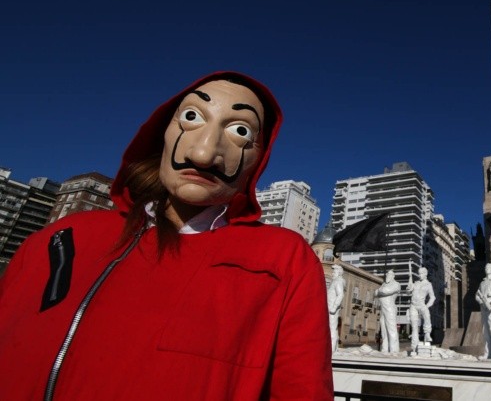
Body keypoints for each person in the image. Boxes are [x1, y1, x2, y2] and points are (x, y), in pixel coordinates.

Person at [0, 72, 333, 400]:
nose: (203, 154)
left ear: (258, 160)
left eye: (240, 131)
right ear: (161, 134)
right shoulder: (61, 238)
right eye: (191, 117)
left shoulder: (282, 259)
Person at [408, 267, 435, 350]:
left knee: (427, 316)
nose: (419, 275)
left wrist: (427, 306)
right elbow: (408, 291)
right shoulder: (415, 283)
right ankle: (414, 345)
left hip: (422, 305)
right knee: (414, 326)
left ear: (425, 274)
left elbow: (433, 297)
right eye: (419, 273)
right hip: (413, 306)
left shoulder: (428, 285)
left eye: (421, 273)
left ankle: (427, 334)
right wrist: (409, 286)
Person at [374, 270, 401, 353]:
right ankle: (384, 349)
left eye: (389, 274)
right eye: (387, 274)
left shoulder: (396, 284)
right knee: (384, 330)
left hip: (390, 308)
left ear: (393, 276)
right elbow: (375, 293)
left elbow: (385, 291)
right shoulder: (384, 284)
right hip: (383, 309)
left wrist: (380, 291)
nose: (387, 276)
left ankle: (394, 350)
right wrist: (379, 291)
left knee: (391, 329)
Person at [328, 264, 345, 353]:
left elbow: (340, 294)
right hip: (330, 308)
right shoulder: (334, 281)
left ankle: (331, 350)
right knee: (331, 328)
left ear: (339, 273)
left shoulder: (338, 281)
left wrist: (334, 307)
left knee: (332, 328)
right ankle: (333, 348)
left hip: (332, 309)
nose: (332, 273)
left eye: (334, 271)